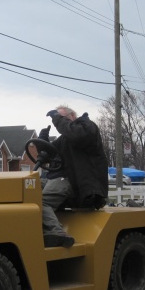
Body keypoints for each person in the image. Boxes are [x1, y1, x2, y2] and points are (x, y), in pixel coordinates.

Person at [38, 105, 108, 248]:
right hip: (57, 177)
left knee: (39, 203)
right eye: (57, 118)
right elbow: (48, 156)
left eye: (61, 117)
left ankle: (58, 233)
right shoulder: (65, 139)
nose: (57, 121)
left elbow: (77, 135)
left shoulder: (87, 127)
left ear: (73, 116)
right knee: (28, 190)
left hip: (74, 180)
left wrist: (57, 119)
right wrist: (43, 140)